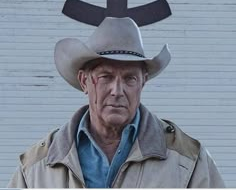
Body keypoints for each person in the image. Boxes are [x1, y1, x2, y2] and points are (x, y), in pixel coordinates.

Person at [8, 17, 225, 188]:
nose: (117, 91)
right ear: (85, 81)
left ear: (143, 82)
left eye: (129, 79)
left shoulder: (187, 160)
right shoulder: (37, 167)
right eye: (106, 77)